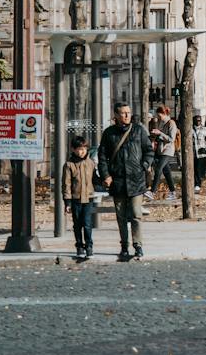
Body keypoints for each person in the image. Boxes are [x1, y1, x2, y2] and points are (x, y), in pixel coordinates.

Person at [97, 103, 151, 262]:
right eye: (123, 113)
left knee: (136, 214)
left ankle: (138, 245)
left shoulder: (139, 130)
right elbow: (102, 157)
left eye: (128, 112)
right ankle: (124, 245)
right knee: (121, 216)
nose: (127, 115)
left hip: (136, 180)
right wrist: (106, 175)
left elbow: (149, 150)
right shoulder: (109, 133)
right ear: (116, 115)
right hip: (118, 181)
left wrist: (145, 165)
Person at [62, 134, 98, 261]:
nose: (81, 151)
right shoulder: (69, 165)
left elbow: (95, 180)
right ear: (73, 149)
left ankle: (89, 246)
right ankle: (79, 246)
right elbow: (66, 184)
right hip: (75, 198)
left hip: (88, 198)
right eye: (79, 149)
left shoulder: (91, 163)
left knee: (87, 224)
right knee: (77, 225)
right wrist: (67, 202)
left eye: (84, 149)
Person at [148, 105, 179, 200]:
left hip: (168, 150)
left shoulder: (171, 123)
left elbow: (171, 139)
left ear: (164, 114)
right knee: (167, 172)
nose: (158, 117)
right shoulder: (162, 123)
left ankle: (152, 192)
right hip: (161, 150)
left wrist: (159, 133)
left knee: (158, 170)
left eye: (160, 115)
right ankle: (173, 192)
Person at [190, 113, 206, 192]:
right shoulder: (190, 129)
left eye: (199, 120)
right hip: (193, 153)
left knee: (200, 169)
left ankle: (198, 183)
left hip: (202, 153)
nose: (198, 122)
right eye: (196, 120)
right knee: (195, 169)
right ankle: (196, 184)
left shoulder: (205, 129)